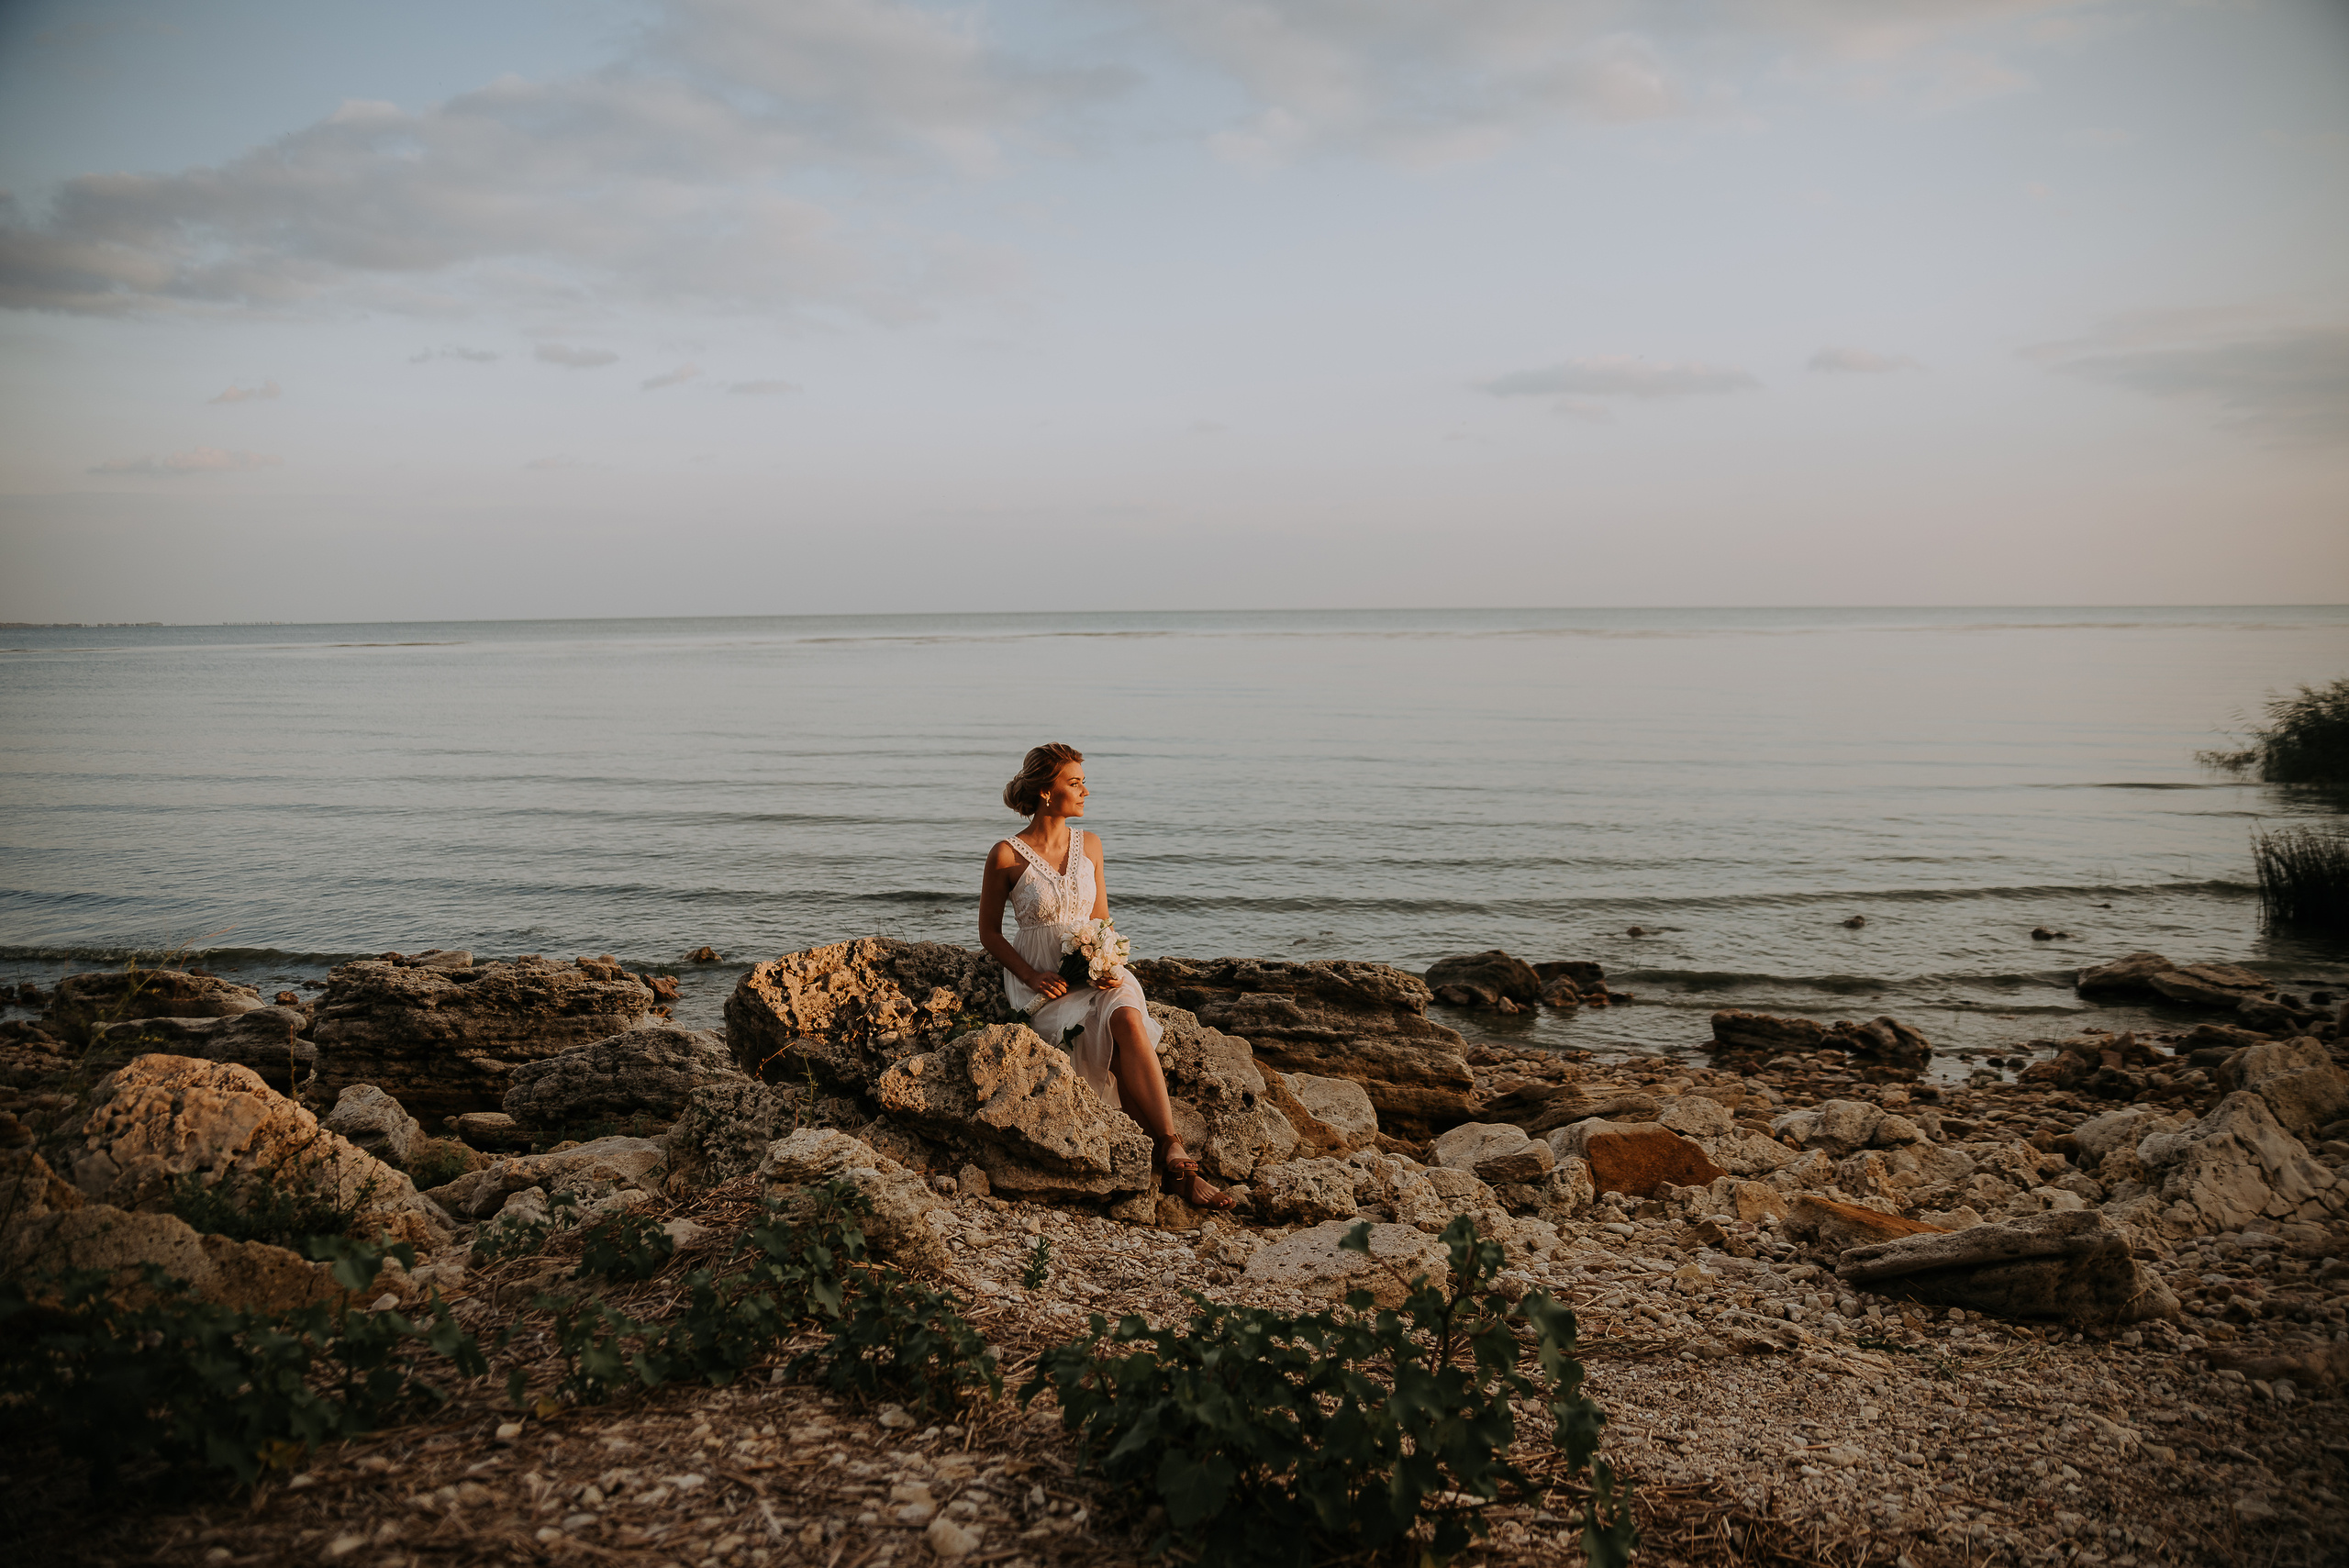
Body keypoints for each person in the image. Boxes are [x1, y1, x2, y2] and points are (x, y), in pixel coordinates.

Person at [978, 742, 1233, 1211]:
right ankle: (1177, 1170)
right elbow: (989, 935)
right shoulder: (1005, 855)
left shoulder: (1089, 844)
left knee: (1128, 1022)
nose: (1085, 790)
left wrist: (1107, 960)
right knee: (1104, 1048)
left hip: (1098, 971)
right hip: (1046, 983)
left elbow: (1102, 918)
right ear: (1046, 792)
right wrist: (1032, 975)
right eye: (1074, 783)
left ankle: (1172, 1146)